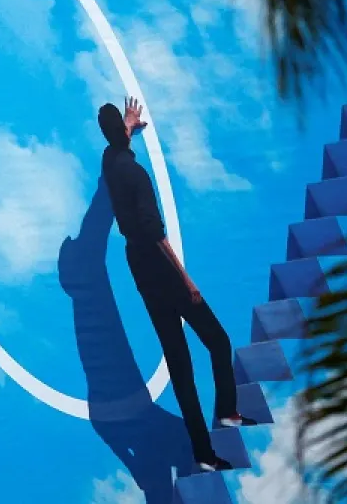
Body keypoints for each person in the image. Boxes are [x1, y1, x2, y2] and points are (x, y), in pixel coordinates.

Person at [97, 97, 257, 472]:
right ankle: (228, 411)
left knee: (180, 364)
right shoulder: (137, 176)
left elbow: (118, 148)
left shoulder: (110, 162)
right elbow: (157, 234)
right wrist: (188, 281)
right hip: (162, 269)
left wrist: (129, 128)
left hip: (138, 268)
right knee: (217, 340)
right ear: (119, 129)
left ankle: (202, 454)